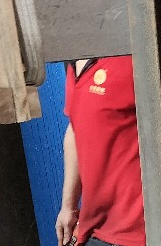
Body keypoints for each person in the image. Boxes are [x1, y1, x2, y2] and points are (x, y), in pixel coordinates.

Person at [55, 55, 145, 246]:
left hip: (137, 232)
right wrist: (68, 206)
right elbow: (76, 128)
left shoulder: (136, 58)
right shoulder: (75, 61)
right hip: (95, 227)